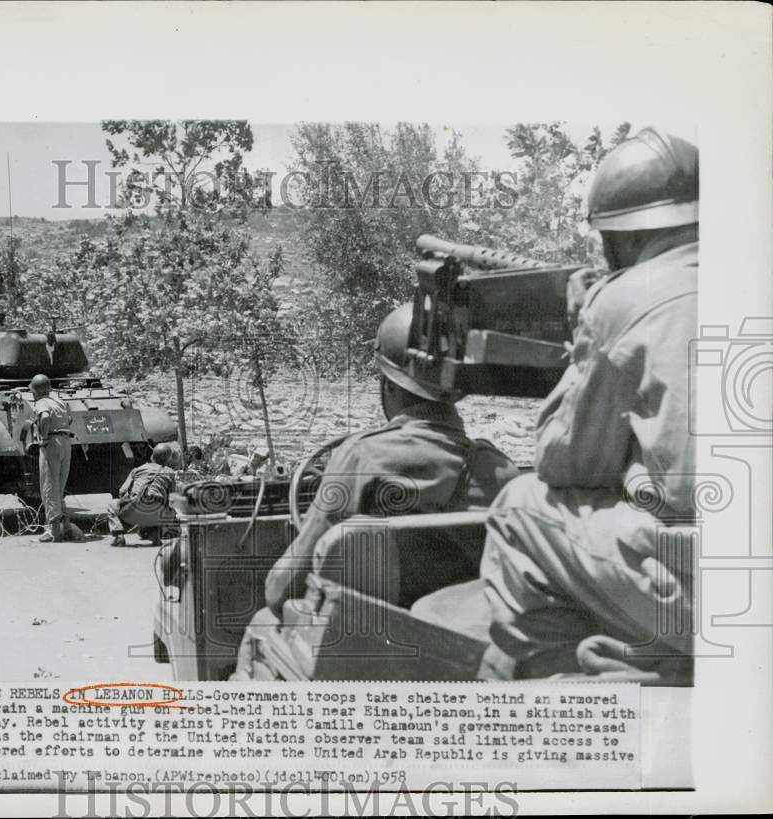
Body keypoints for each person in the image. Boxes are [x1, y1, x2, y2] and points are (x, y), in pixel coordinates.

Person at [479, 127, 699, 680]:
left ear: (619, 239)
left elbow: (566, 460)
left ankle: (572, 696)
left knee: (518, 506)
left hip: (714, 588)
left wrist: (590, 321)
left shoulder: (624, 299)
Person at [263, 302, 520, 619]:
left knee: (263, 623)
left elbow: (281, 590)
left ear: (388, 386)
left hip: (369, 647)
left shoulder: (360, 458)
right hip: (460, 646)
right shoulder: (501, 471)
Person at [30, 374, 83, 543]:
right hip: (66, 441)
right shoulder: (59, 401)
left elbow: (44, 416)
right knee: (59, 485)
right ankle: (65, 526)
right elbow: (69, 418)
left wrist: (44, 437)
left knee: (49, 485)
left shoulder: (41, 402)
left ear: (34, 390)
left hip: (51, 442)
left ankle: (53, 530)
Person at [105, 442, 179, 546]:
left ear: (152, 456)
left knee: (112, 506)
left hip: (134, 512)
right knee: (163, 506)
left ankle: (119, 536)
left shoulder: (138, 470)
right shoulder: (170, 473)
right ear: (168, 459)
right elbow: (172, 499)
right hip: (160, 516)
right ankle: (154, 533)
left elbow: (122, 491)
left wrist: (125, 502)